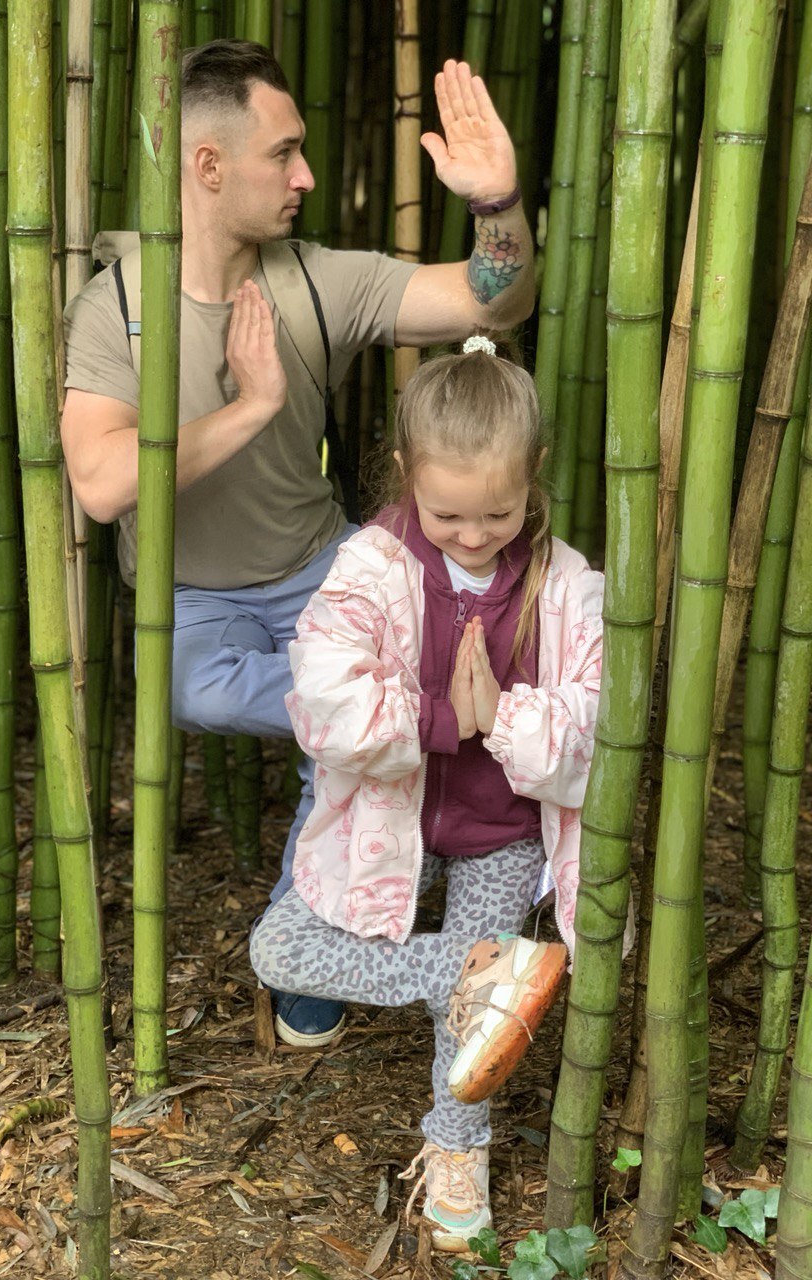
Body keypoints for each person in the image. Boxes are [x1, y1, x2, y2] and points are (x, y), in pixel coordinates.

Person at [61, 40, 535, 1049]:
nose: (306, 177)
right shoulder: (118, 305)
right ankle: (388, 731)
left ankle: (311, 954)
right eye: (285, 154)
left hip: (324, 569)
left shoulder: (315, 281)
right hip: (191, 602)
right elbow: (101, 486)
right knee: (230, 697)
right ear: (207, 165)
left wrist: (497, 206)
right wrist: (255, 407)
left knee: (381, 696)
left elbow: (493, 299)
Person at [249, 339, 607, 1252]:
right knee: (280, 948)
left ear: (534, 479)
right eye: (447, 513)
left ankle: (457, 1148)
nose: (477, 533)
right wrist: (442, 716)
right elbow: (323, 707)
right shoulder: (369, 567)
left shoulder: (566, 586)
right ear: (407, 475)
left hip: (501, 831)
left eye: (500, 510)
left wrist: (504, 719)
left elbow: (596, 727)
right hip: (385, 823)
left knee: (477, 983)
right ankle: (467, 980)